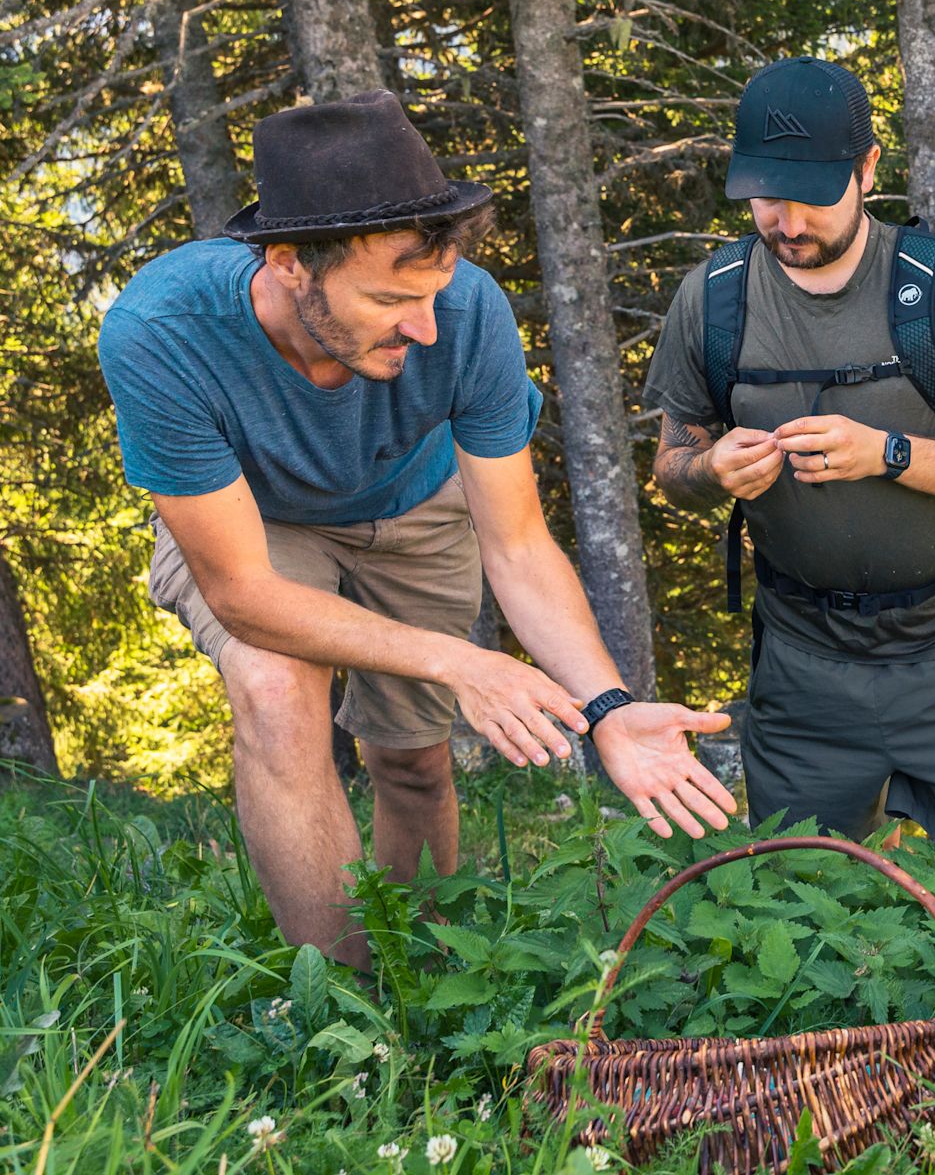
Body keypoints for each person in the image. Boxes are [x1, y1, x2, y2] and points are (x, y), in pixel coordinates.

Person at [101, 91, 734, 967]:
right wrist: (459, 659)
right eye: (392, 297)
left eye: (433, 291)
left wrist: (610, 709)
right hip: (257, 522)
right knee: (280, 695)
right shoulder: (160, 331)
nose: (425, 325)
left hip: (417, 507)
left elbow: (515, 543)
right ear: (289, 262)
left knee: (413, 761)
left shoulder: (466, 313)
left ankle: (424, 980)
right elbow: (242, 593)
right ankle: (347, 1011)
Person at [642, 57, 935, 893]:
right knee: (805, 911)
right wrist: (713, 470)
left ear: (869, 170)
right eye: (765, 195)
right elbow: (670, 468)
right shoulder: (715, 301)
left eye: (812, 193)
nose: (786, 219)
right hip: (803, 664)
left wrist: (889, 454)